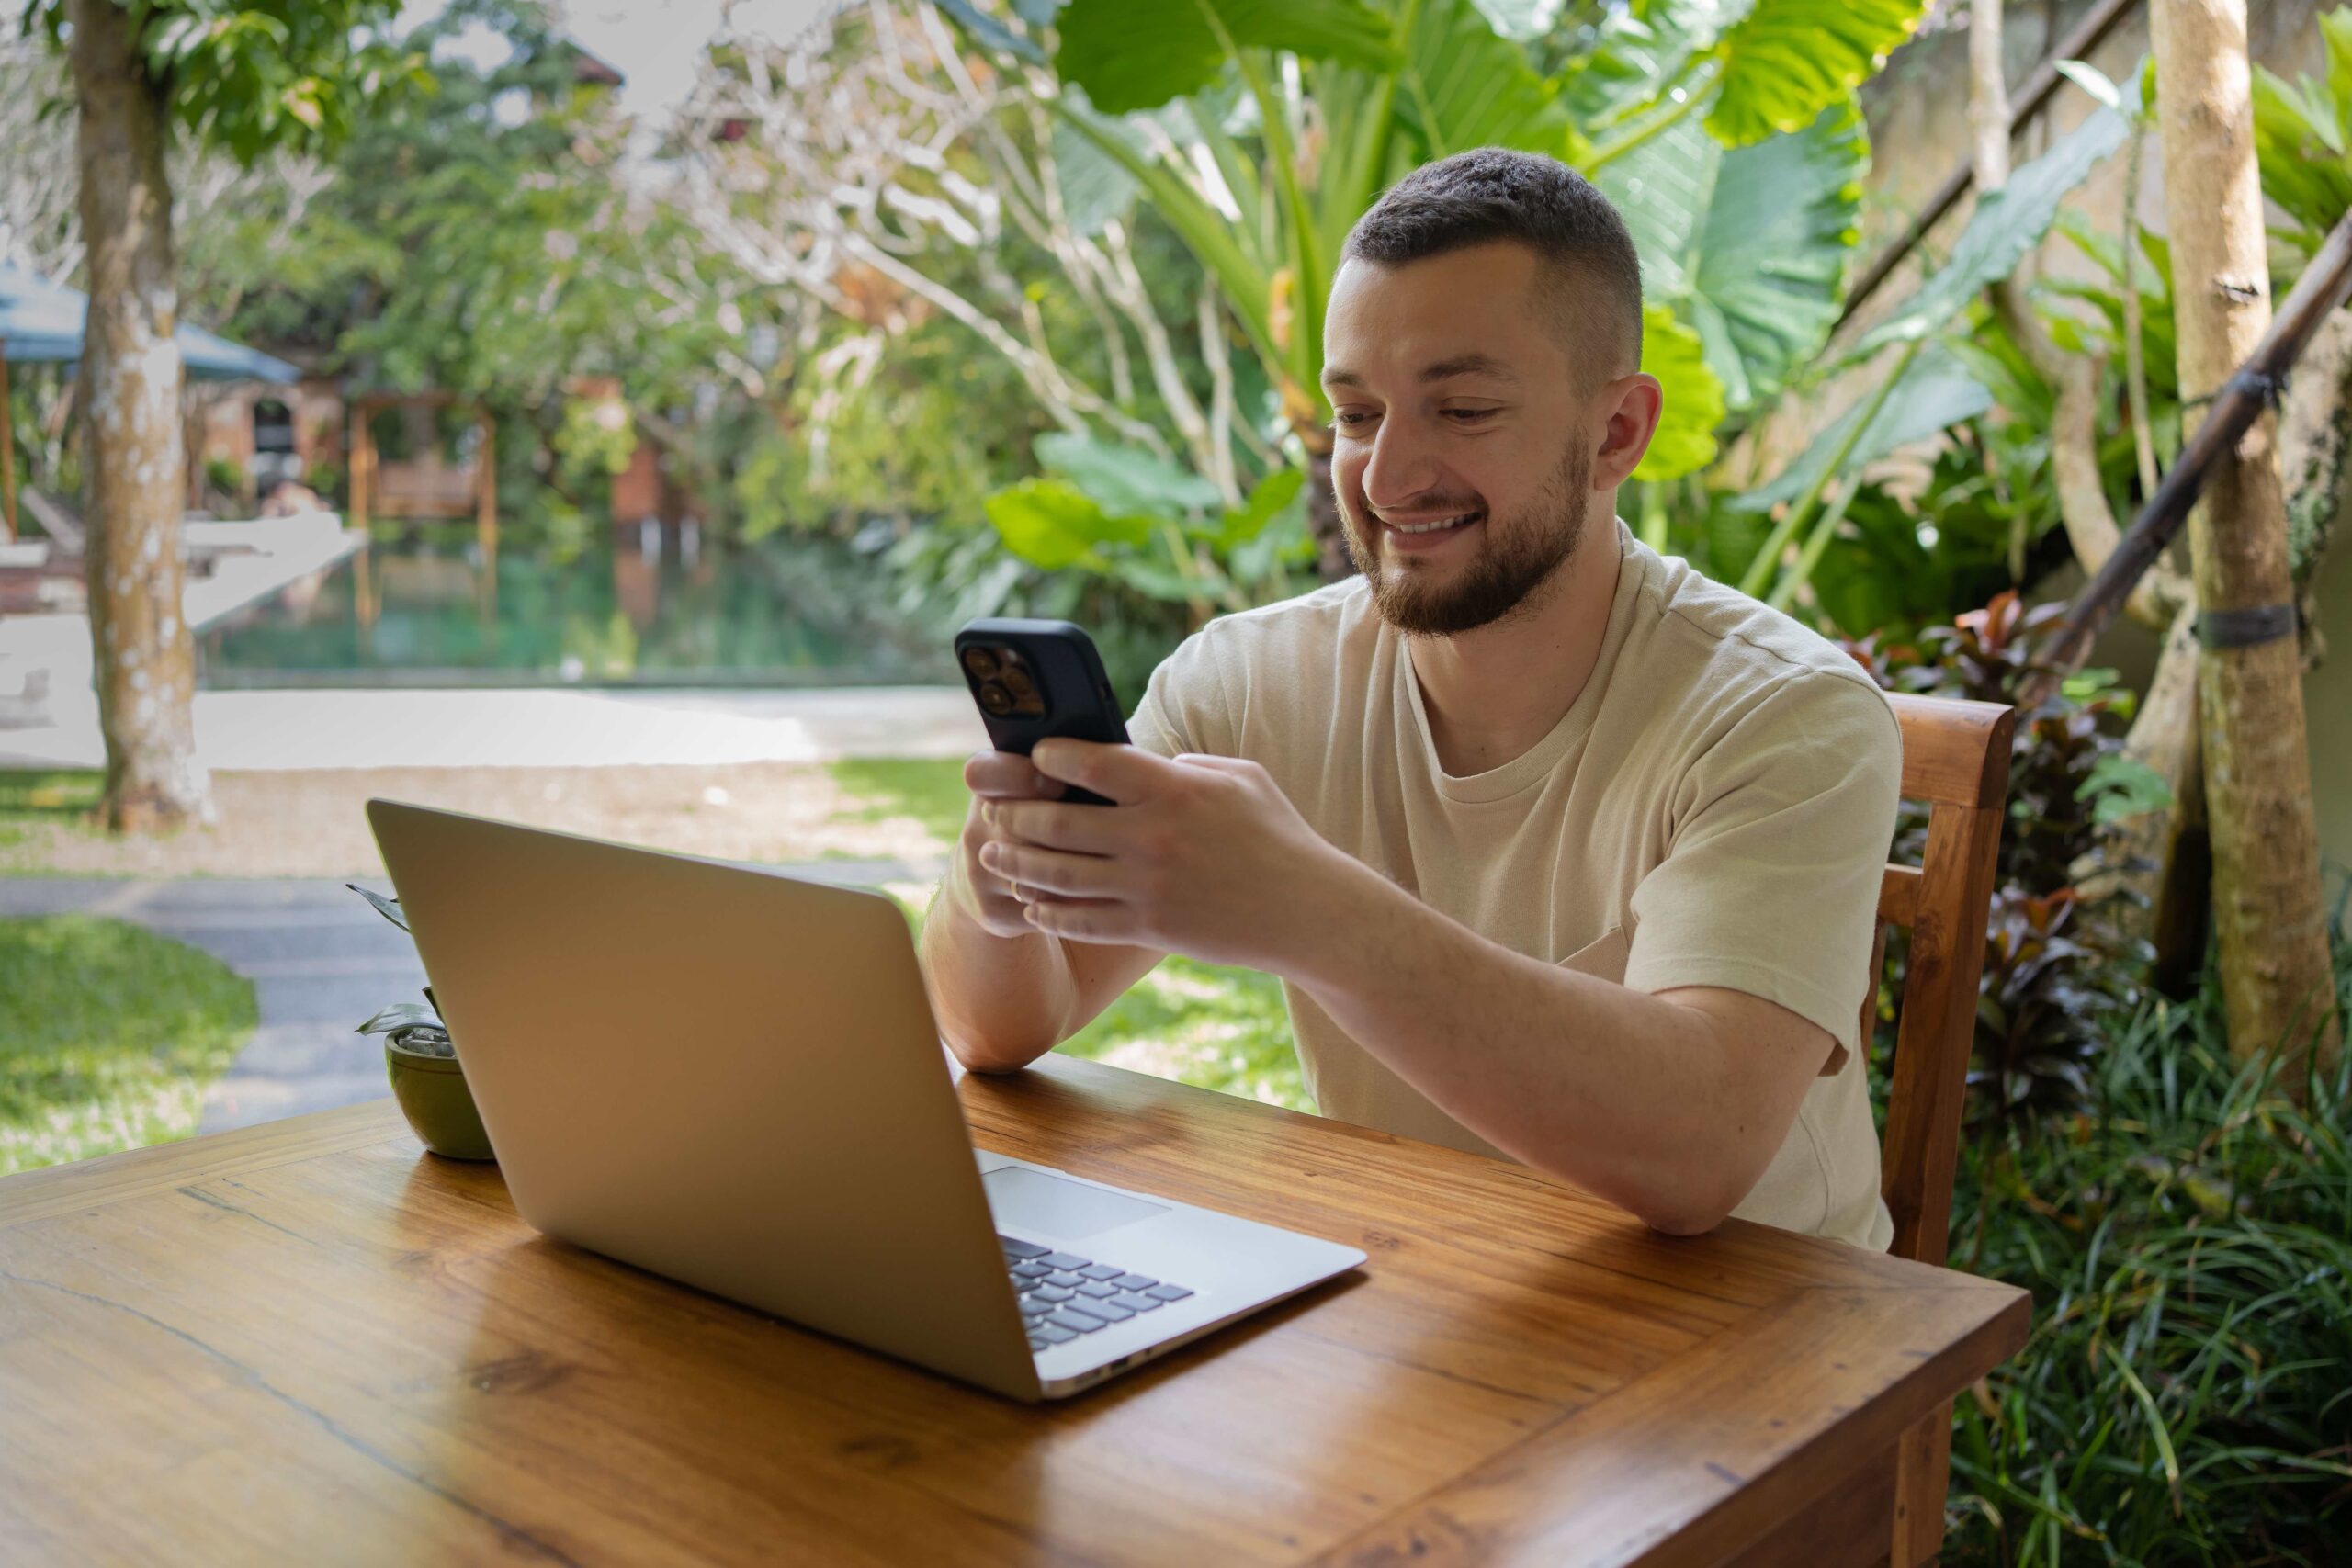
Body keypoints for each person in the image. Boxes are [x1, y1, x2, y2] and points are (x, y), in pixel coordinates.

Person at [920, 149, 1902, 1249]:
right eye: (1356, 414)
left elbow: (1697, 1148)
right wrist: (997, 877)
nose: (1384, 482)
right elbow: (998, 1024)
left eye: (1464, 409)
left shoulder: (1784, 716)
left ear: (1617, 433)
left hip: (1761, 1356)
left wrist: (1306, 910)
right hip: (1419, 1299)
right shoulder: (1248, 681)